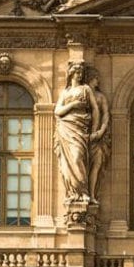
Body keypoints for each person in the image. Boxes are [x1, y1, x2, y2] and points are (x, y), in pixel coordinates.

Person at [54, 62, 99, 202]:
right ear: (71, 74)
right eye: (77, 72)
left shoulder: (86, 89)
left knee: (77, 157)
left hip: (81, 127)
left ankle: (83, 191)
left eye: (81, 73)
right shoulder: (65, 92)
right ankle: (74, 193)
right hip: (66, 127)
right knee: (68, 162)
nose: (79, 75)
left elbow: (95, 109)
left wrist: (94, 130)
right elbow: (57, 111)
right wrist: (73, 105)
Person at [86, 69, 111, 203]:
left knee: (97, 165)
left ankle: (91, 195)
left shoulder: (100, 96)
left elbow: (106, 114)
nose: (98, 81)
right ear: (91, 79)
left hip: (97, 137)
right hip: (82, 135)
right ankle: (81, 196)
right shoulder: (82, 94)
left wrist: (101, 131)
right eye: (96, 78)